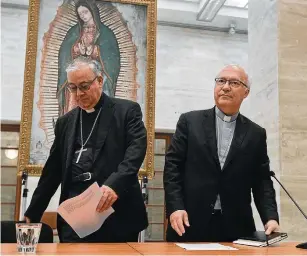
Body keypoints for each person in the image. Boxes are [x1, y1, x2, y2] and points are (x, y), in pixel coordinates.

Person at [25, 56, 148, 243]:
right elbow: (52, 171)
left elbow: (135, 152)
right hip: (75, 217)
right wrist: (33, 213)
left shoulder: (126, 111)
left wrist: (114, 185)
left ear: (99, 80)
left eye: (84, 86)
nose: (78, 94)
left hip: (116, 214)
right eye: (72, 88)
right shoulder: (65, 123)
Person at [164, 65, 280, 242]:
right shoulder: (190, 122)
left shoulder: (255, 133)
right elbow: (173, 168)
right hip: (189, 222)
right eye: (221, 81)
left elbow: (262, 180)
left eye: (234, 82)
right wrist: (175, 207)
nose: (226, 87)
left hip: (236, 227)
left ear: (246, 92)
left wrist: (270, 217)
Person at [57, 0, 120, 116]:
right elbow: (65, 54)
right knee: (74, 94)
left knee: (99, 88)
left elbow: (112, 59)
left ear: (92, 12)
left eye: (85, 12)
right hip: (78, 74)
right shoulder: (74, 32)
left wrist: (95, 50)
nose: (83, 16)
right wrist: (76, 50)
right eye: (80, 14)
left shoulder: (106, 33)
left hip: (95, 74)